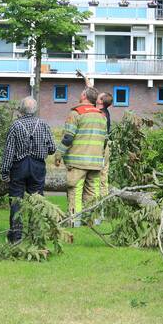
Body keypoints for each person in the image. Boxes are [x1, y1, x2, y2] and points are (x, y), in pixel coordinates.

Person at [0, 97, 55, 243]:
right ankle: (34, 235)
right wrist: (41, 149)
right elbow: (52, 148)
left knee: (16, 200)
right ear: (35, 109)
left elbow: (9, 152)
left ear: (21, 109)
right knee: (36, 200)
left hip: (19, 166)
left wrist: (5, 172)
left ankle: (16, 236)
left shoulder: (15, 126)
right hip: (38, 166)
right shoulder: (43, 124)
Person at [56, 87, 108, 226]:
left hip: (77, 163)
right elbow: (105, 141)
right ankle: (94, 222)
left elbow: (68, 137)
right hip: (96, 163)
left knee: (75, 192)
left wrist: (58, 154)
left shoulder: (76, 113)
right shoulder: (101, 116)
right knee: (93, 193)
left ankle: (74, 222)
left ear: (84, 95)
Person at [95, 91, 114, 224]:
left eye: (99, 96)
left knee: (100, 179)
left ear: (100, 101)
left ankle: (100, 213)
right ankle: (101, 210)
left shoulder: (101, 114)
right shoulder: (103, 111)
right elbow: (92, 92)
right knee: (102, 178)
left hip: (102, 149)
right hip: (104, 147)